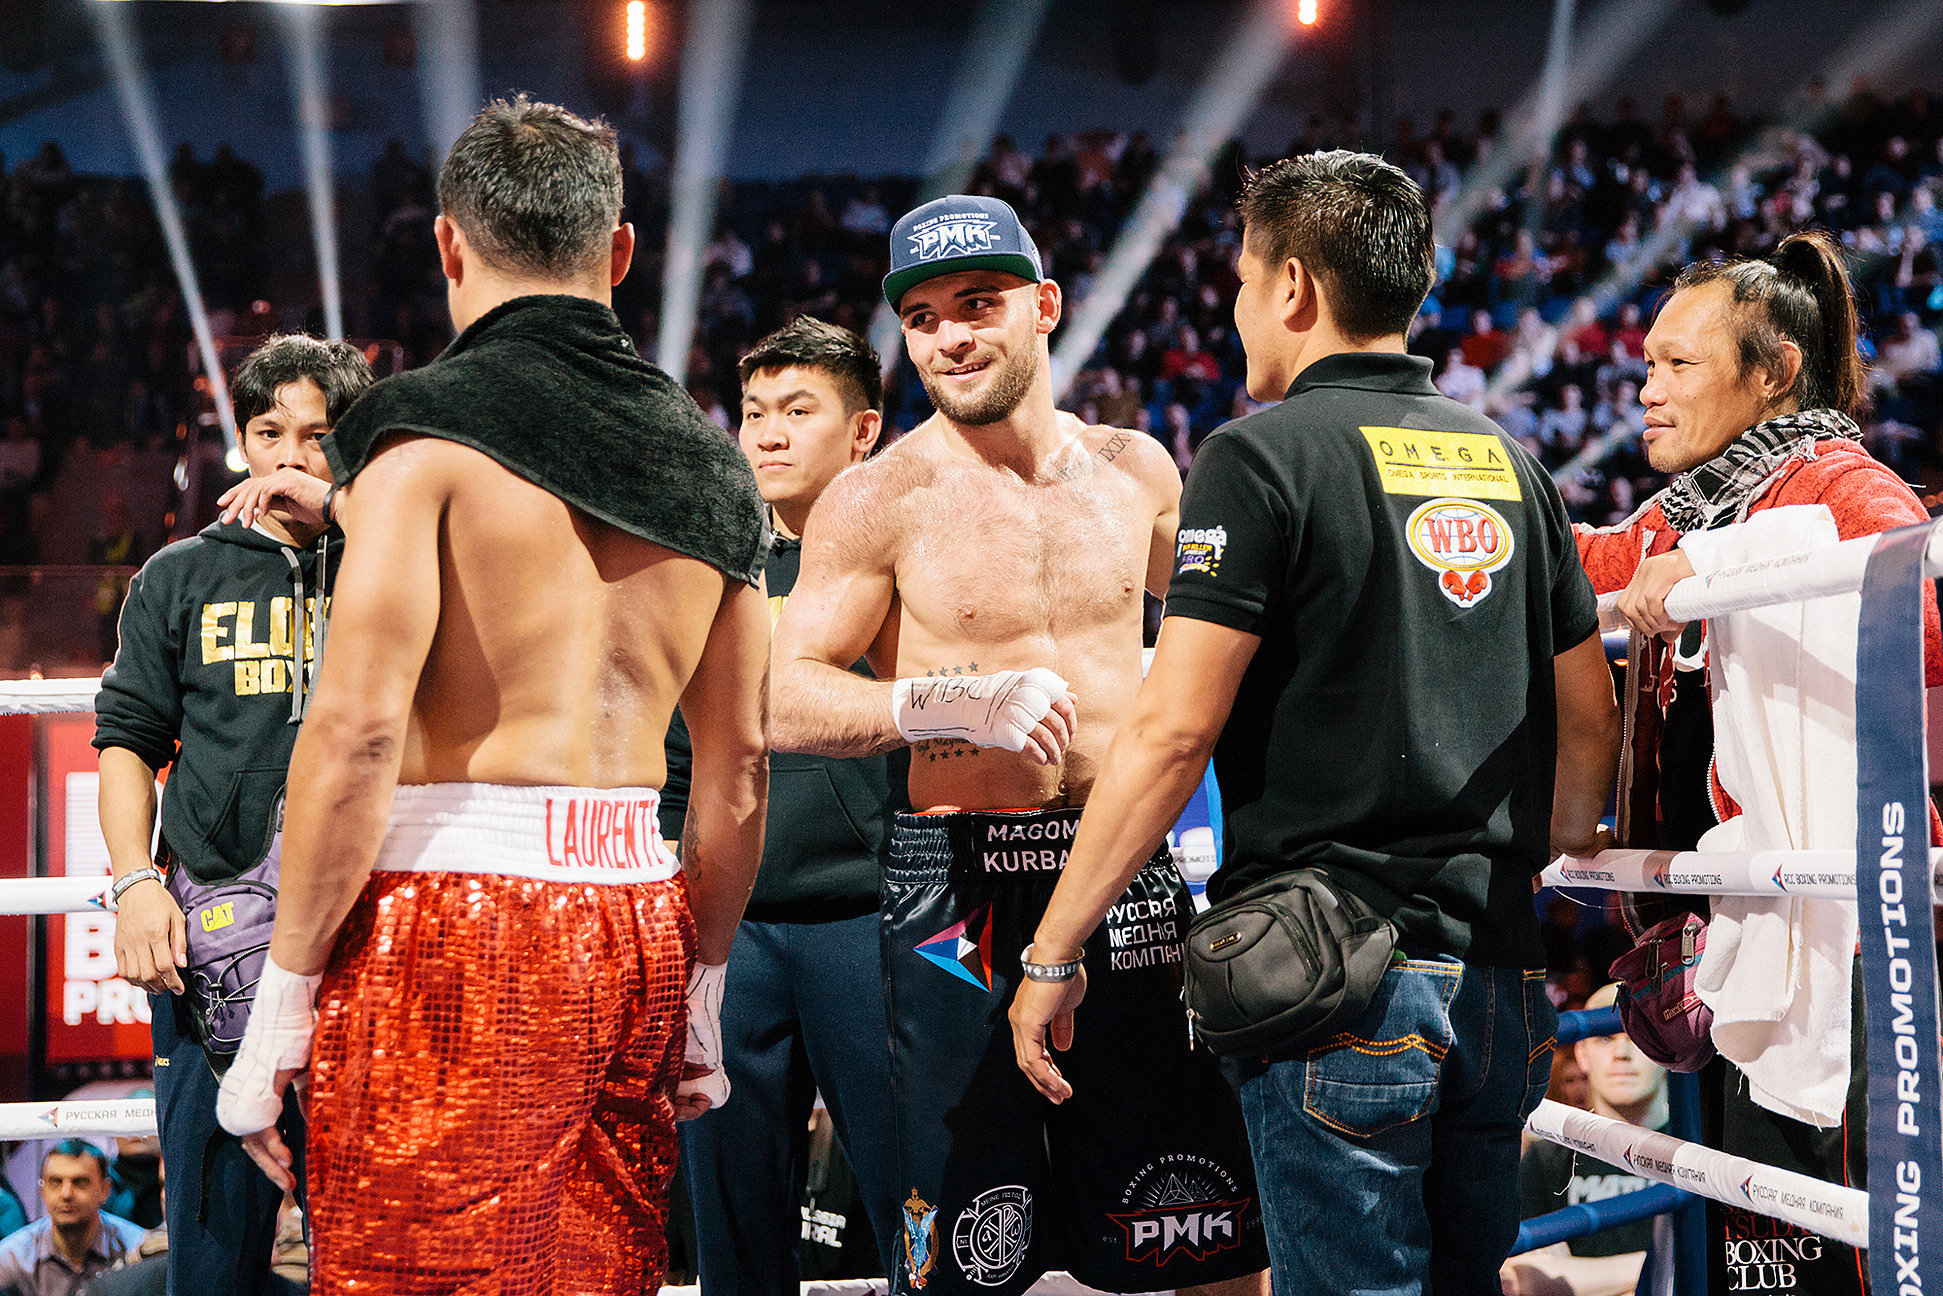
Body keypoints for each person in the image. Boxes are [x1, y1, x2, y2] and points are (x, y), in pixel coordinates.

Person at [1007, 151, 1619, 1295]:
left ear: (1291, 286)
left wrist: (1052, 949)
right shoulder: (1512, 463)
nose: (1236, 315)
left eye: (1239, 283)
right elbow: (1589, 723)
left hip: (1335, 980)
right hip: (1495, 980)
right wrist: (1532, 852)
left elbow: (1171, 733)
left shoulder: (1254, 455)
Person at [212, 95, 770, 1294]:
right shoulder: (716, 469)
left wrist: (280, 1008)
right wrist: (704, 987)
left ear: (448, 245)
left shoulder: (415, 441)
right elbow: (738, 769)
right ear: (619, 254)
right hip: (639, 915)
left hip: (453, 924)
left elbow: (358, 737)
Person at [770, 193, 1268, 1296]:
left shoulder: (1137, 470)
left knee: (1202, 1226)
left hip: (1120, 865)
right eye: (925, 316)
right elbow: (778, 698)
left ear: (1042, 307)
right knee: (961, 1254)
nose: (950, 337)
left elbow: (1231, 631)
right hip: (955, 888)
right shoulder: (876, 498)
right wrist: (939, 706)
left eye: (978, 304)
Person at [1580, 230, 1942, 1296]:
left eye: (1677, 365)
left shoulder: (1841, 484)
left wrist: (1728, 565)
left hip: (1848, 940)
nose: (1644, 390)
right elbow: (1585, 564)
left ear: (1771, 371)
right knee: (1762, 1260)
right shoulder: (1693, 507)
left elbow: (1910, 612)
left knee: (1846, 1257)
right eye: (1645, 363)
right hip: (1739, 931)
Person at [93, 333, 372, 1296]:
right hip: (215, 954)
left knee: (374, 1260)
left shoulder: (400, 568)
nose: (290, 456)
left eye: (320, 436)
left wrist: (345, 518)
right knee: (212, 1264)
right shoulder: (177, 575)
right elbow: (126, 738)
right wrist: (135, 886)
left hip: (368, 952)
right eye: (269, 433)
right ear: (240, 444)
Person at [665, 316, 906, 1292]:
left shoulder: (910, 565)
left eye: (796, 410)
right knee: (733, 1236)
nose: (764, 432)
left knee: (917, 1214)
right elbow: (675, 766)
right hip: (735, 939)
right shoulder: (703, 576)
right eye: (753, 411)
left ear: (861, 431)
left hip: (875, 922)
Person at [1504, 983, 1669, 1296]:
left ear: (1665, 1049)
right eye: (1605, 1037)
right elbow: (1520, 1277)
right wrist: (1659, 1266)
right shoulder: (1546, 1158)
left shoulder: (1695, 1147)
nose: (1622, 1053)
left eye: (1638, 1036)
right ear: (1581, 1054)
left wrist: (1587, 1278)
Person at [0, 1141, 145, 1296]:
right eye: (55, 1182)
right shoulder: (12, 1257)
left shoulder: (135, 1248)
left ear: (105, 1190)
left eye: (80, 1182)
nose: (66, 1194)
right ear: (42, 1190)